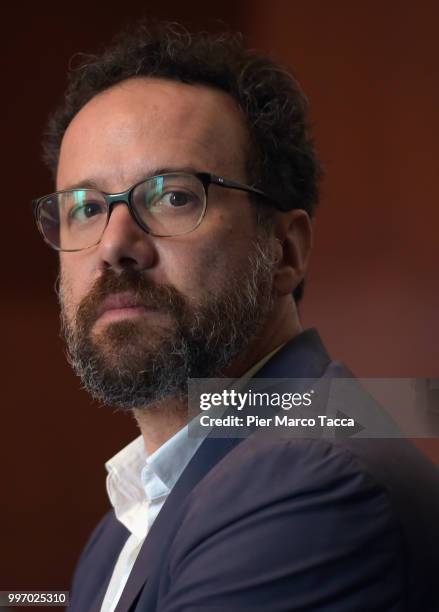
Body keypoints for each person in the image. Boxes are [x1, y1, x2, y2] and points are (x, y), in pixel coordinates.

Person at [33, 20, 439, 612]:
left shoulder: (310, 480)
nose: (114, 245)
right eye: (87, 208)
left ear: (285, 251)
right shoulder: (120, 533)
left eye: (174, 196)